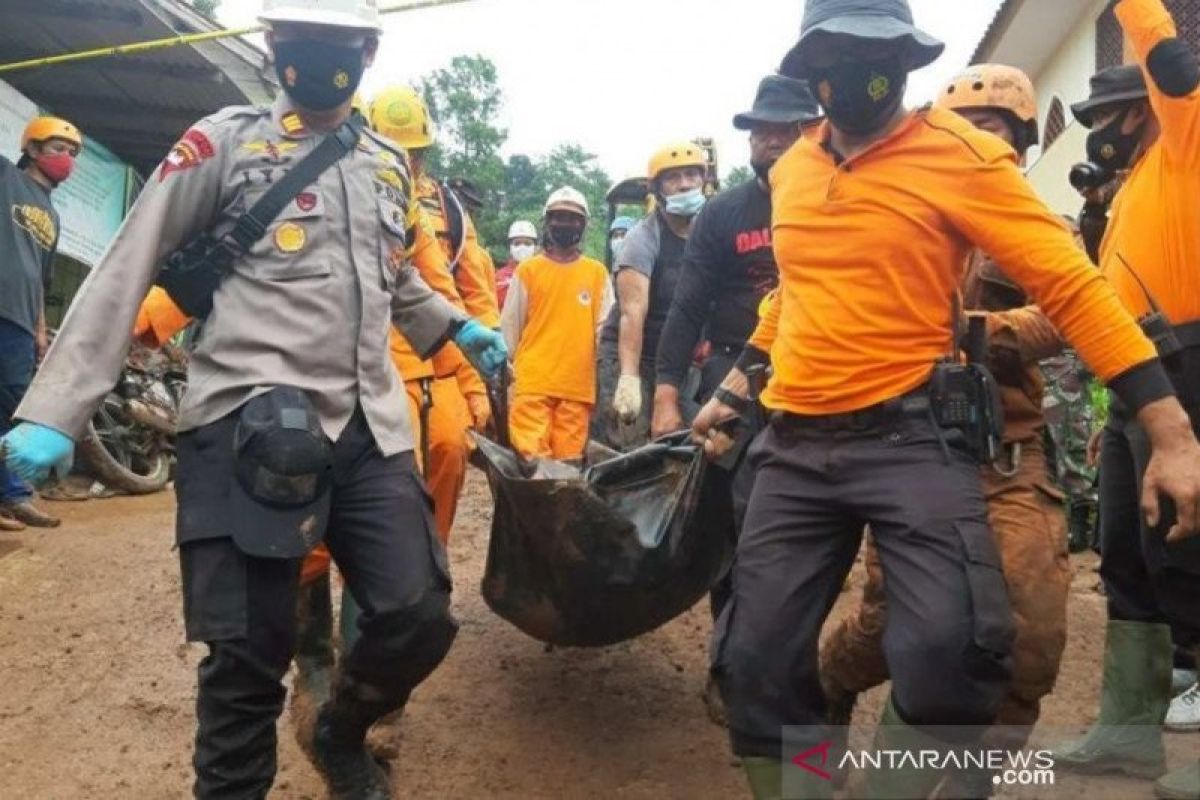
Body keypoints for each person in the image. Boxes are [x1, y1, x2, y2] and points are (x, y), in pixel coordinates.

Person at [690, 1, 1200, 797]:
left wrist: (1171, 431)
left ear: (907, 57)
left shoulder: (959, 156)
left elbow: (1070, 286)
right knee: (755, 661)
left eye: (879, 54)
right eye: (839, 55)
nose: (861, 74)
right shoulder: (794, 167)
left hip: (911, 436)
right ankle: (809, 787)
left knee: (955, 656)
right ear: (811, 65)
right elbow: (795, 289)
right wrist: (738, 382)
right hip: (794, 444)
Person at [0, 2, 509, 797]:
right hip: (249, 421)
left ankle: (337, 731)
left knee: (418, 614)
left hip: (367, 423)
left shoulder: (383, 162)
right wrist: (55, 407)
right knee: (246, 658)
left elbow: (394, 272)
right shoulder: (224, 141)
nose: (322, 54)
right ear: (275, 44)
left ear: (368, 51)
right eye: (306, 38)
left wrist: (453, 327)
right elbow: (133, 256)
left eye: (341, 43)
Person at [817, 63, 1073, 794]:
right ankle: (832, 685)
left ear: (1019, 145)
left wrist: (976, 331)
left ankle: (967, 783)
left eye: (991, 128)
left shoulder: (1037, 229)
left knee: (1028, 637)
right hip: (912, 455)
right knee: (891, 630)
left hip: (1007, 461)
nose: (974, 139)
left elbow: (1066, 311)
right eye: (962, 126)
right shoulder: (900, 219)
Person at [1050, 2, 1200, 797]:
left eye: (1106, 114)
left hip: (1191, 366)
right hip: (1134, 379)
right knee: (1125, 546)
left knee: (1190, 541)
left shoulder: (1186, 139)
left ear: (1145, 107)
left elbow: (1167, 55)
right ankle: (1129, 732)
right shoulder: (1127, 186)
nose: (1095, 129)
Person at [652, 74, 821, 439]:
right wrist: (665, 399)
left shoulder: (836, 202)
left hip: (816, 366)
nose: (774, 141)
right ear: (750, 140)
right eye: (762, 131)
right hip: (732, 364)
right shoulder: (720, 213)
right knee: (724, 481)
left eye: (787, 129)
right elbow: (687, 308)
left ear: (814, 133)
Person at [369, 84, 500, 540]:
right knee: (389, 471)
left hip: (436, 358)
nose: (405, 164)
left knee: (449, 447)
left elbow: (461, 295)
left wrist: (477, 385)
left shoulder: (442, 211)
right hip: (360, 361)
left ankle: (429, 565)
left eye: (414, 154)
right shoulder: (339, 191)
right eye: (392, 150)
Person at [596, 141, 709, 449]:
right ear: (658, 188)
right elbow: (633, 313)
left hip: (678, 361)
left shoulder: (711, 234)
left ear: (704, 180)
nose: (684, 184)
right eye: (673, 178)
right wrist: (629, 378)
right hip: (633, 354)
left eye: (691, 175)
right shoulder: (642, 239)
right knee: (629, 445)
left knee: (686, 439)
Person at [0, 115, 81, 531]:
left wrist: (41, 329)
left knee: (12, 409)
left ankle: (11, 497)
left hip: (19, 319)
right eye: (57, 150)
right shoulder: (6, 179)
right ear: (31, 150)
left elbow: (41, 277)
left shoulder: (51, 213)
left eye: (72, 154)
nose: (66, 159)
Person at [501, 187, 613, 461]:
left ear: (584, 225)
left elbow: (605, 331)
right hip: (532, 384)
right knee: (531, 465)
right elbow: (510, 330)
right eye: (559, 217)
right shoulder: (528, 271)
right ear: (547, 222)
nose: (566, 224)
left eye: (573, 218)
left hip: (577, 388)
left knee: (567, 468)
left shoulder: (597, 273)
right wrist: (506, 378)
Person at [496, 219, 538, 309]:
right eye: (517, 243)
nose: (522, 247)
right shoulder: (499, 277)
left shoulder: (543, 273)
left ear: (535, 247)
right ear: (510, 247)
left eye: (527, 243)